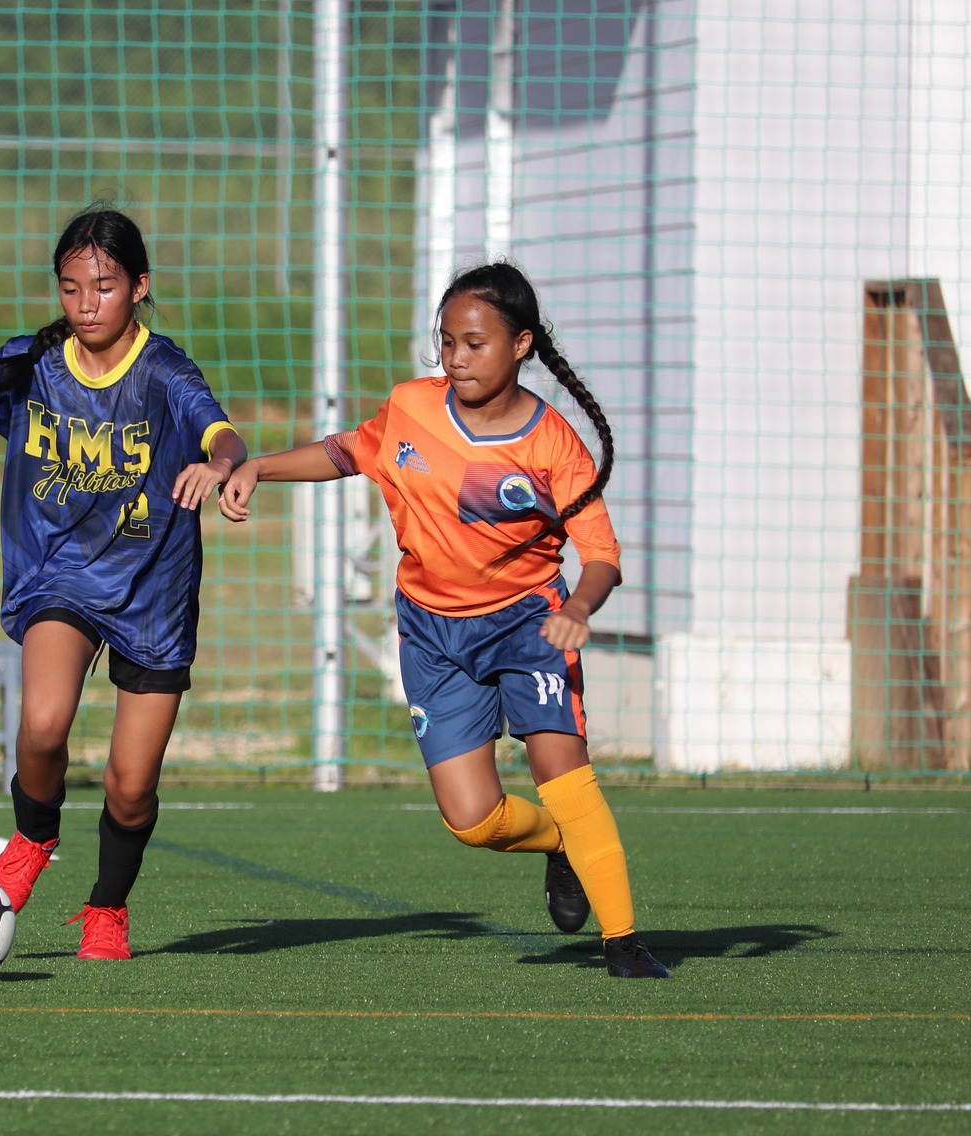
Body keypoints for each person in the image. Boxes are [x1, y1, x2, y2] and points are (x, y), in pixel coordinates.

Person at [220, 262, 670, 978]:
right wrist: (257, 468)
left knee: (564, 773)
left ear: (521, 344)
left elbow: (603, 555)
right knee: (471, 819)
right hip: (433, 632)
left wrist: (580, 607)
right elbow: (346, 451)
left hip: (530, 624)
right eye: (446, 342)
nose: (456, 358)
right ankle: (561, 844)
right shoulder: (411, 408)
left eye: (474, 343)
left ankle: (625, 942)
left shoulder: (553, 446)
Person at [0, 207, 247, 959]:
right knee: (44, 722)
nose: (87, 303)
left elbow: (220, 431)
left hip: (154, 588)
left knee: (129, 784)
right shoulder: (37, 362)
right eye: (72, 286)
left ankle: (107, 907)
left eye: (106, 287)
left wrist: (222, 466)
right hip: (63, 574)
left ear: (139, 288)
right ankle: (32, 839)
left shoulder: (165, 371)